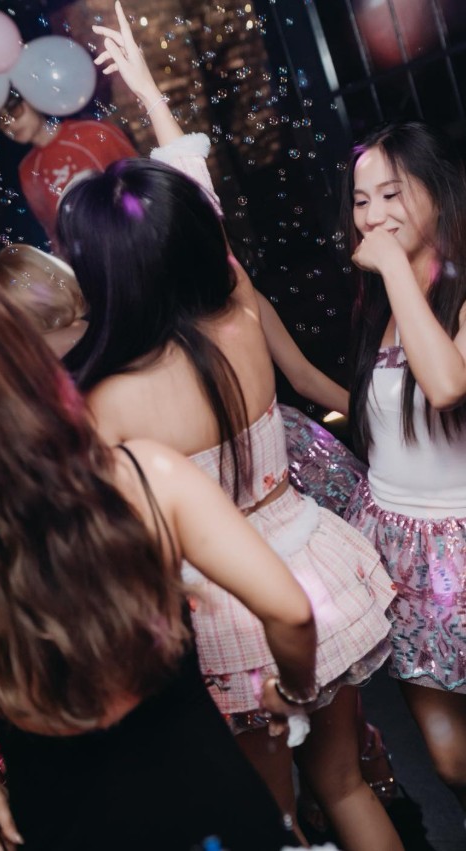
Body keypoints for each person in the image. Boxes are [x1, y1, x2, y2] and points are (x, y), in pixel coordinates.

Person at [55, 8, 403, 851]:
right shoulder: (241, 311)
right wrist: (149, 95)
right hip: (311, 562)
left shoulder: (107, 402)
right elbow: (196, 198)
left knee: (271, 819)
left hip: (223, 610)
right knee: (347, 784)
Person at [0, 272, 320, 851]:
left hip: (64, 827)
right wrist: (293, 693)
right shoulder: (145, 475)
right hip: (210, 803)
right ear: (29, 358)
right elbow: (291, 611)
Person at [343, 120, 466, 808]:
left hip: (461, 541)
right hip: (401, 551)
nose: (373, 216)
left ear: (439, 194)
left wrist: (392, 268)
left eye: (391, 194)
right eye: (362, 201)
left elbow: (445, 385)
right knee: (450, 761)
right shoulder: (380, 300)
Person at [0, 91, 137, 244]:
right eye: (1, 120)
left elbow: (142, 182)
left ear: (33, 99)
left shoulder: (93, 132)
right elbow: (54, 230)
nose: (10, 123)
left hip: (133, 237)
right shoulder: (27, 170)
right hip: (94, 253)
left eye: (14, 109)